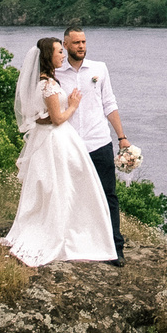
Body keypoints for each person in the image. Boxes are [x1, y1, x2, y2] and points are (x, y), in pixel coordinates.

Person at [0, 36, 117, 267]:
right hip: (56, 140)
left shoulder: (46, 82)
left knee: (59, 187)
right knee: (63, 187)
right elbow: (57, 118)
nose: (63, 55)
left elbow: (40, 116)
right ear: (49, 56)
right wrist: (73, 105)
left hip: (52, 138)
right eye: (59, 52)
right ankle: (65, 234)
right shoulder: (48, 85)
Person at [57, 23, 133, 265]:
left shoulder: (99, 68)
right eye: (76, 42)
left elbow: (109, 103)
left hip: (99, 142)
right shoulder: (56, 73)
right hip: (69, 144)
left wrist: (121, 137)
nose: (81, 46)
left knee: (108, 195)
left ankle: (115, 249)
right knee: (70, 196)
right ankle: (75, 245)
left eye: (84, 42)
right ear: (65, 45)